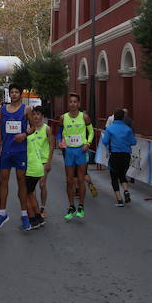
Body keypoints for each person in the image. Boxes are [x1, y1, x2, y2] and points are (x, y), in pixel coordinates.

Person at [0, 84, 31, 231]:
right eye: (12, 92)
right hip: (6, 152)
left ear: (20, 94)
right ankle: (2, 213)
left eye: (16, 92)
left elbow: (34, 127)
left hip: (20, 151)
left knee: (21, 182)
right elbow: (1, 130)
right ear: (9, 94)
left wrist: (24, 134)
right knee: (3, 181)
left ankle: (24, 215)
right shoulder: (3, 110)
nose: (14, 94)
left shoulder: (26, 109)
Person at [58, 92, 94, 220]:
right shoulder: (63, 117)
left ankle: (81, 206)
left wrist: (88, 144)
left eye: (75, 102)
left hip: (81, 151)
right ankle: (71, 206)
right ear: (68, 104)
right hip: (69, 152)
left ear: (78, 104)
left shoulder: (84, 117)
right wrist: (60, 141)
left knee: (80, 180)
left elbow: (91, 132)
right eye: (70, 102)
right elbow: (59, 132)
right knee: (69, 181)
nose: (72, 104)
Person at [102, 108, 137, 206]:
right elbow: (134, 142)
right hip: (126, 156)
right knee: (122, 175)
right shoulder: (128, 129)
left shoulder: (110, 128)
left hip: (115, 155)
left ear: (114, 117)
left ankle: (119, 200)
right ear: (123, 117)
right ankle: (126, 191)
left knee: (114, 178)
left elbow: (104, 141)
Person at [24, 106, 52, 229]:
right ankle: (35, 211)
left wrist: (49, 162)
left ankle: (42, 208)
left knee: (41, 185)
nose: (36, 116)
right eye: (34, 114)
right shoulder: (29, 130)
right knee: (32, 188)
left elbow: (52, 145)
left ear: (42, 116)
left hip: (43, 161)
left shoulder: (47, 129)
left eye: (38, 114)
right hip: (33, 162)